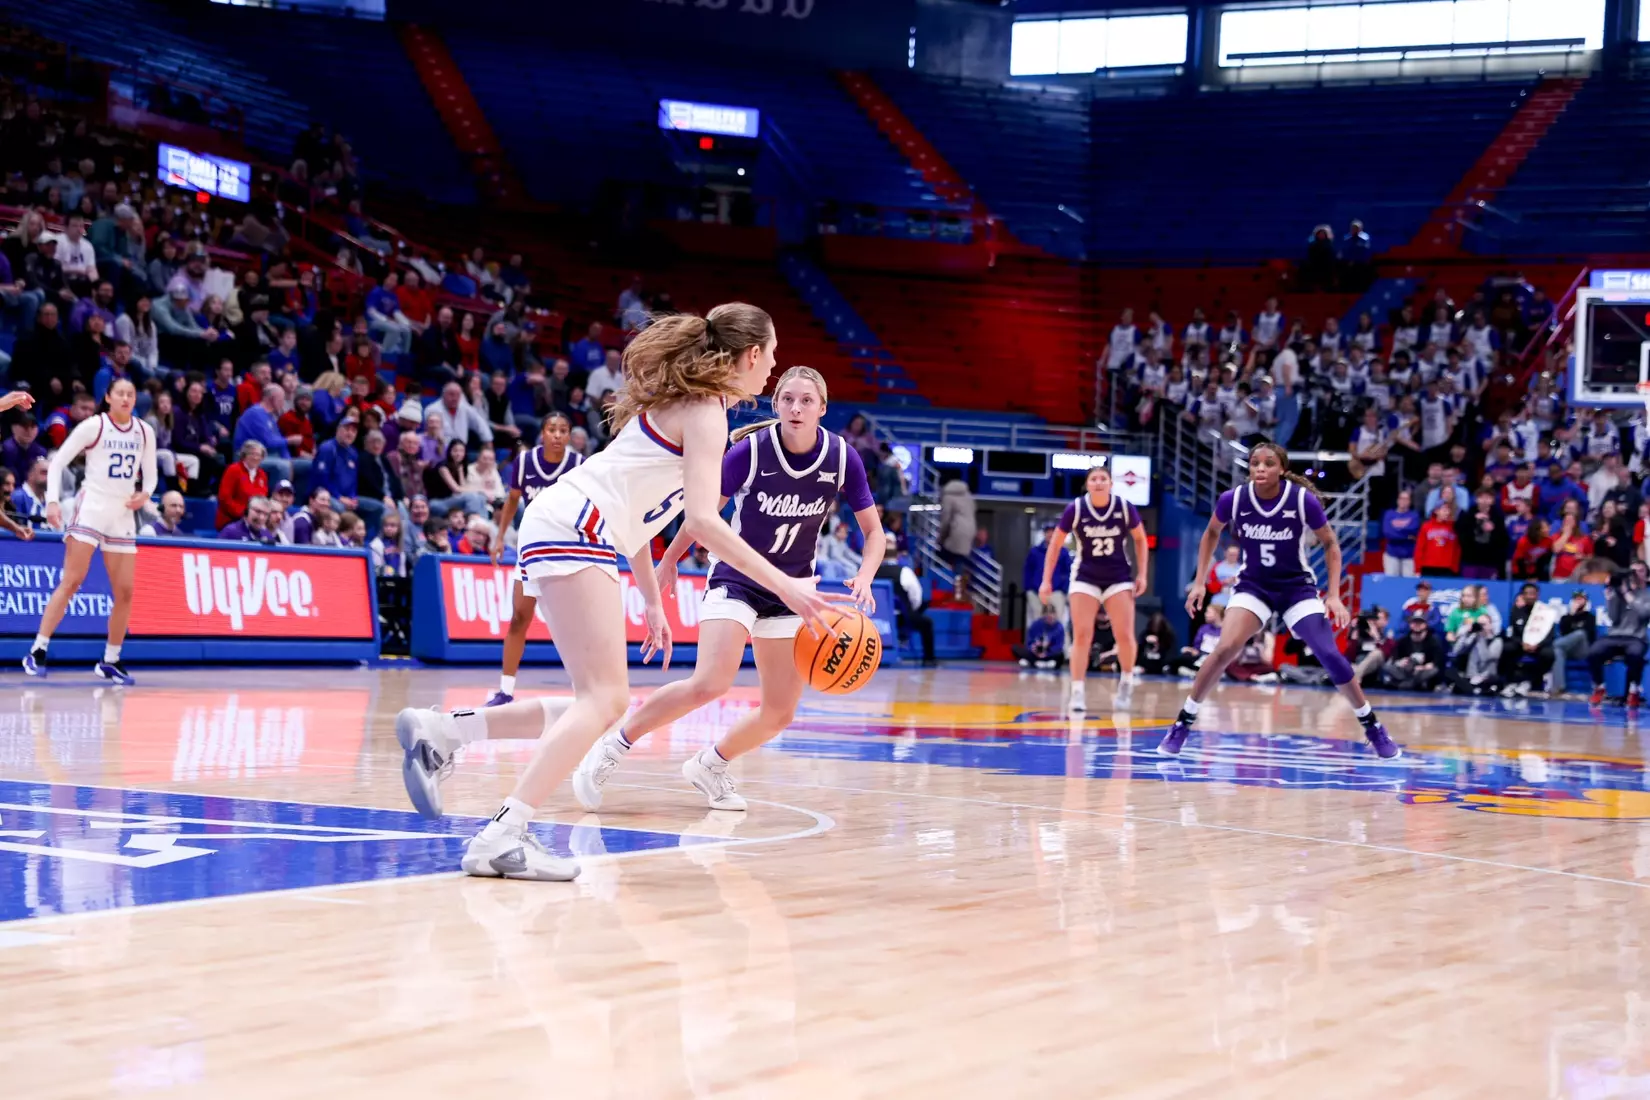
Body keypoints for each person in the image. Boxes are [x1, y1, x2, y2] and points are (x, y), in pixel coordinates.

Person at [391, 303, 838, 882]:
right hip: (576, 529)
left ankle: (448, 730)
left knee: (595, 701)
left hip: (568, 524)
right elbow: (703, 521)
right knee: (604, 701)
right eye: (772, 355)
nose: (774, 366)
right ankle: (502, 835)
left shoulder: (689, 403)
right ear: (750, 355)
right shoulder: (705, 412)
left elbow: (641, 521)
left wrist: (651, 598)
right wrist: (788, 588)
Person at [570, 366, 884, 812]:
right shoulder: (750, 452)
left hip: (792, 592)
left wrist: (866, 575)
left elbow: (874, 533)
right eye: (788, 399)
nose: (796, 408)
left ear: (823, 409)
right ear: (776, 406)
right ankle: (615, 744)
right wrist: (670, 560)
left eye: (806, 401)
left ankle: (710, 765)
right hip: (736, 581)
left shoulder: (841, 458)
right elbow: (701, 516)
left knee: (780, 712)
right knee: (710, 682)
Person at [1161, 443, 1399, 759]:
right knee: (1225, 648)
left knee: (1329, 653)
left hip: (1295, 588)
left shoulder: (1302, 501)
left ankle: (1372, 726)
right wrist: (1200, 583)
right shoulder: (1233, 499)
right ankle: (1183, 723)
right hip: (1254, 586)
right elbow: (1210, 534)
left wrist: (1333, 596)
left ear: (1282, 470)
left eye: (1268, 463)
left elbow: (1330, 544)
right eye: (1255, 463)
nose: (1260, 468)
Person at [23, 378, 156, 685]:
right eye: (120, 393)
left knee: (125, 592)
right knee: (72, 581)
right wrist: (53, 502)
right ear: (108, 397)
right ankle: (37, 650)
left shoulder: (144, 431)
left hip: (123, 513)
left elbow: (150, 476)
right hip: (92, 507)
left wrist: (145, 494)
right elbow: (56, 464)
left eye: (130, 394)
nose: (125, 398)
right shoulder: (94, 426)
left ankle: (111, 659)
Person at [484, 414, 584, 705]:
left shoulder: (579, 465)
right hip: (531, 545)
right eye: (551, 429)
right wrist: (501, 537)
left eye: (563, 430)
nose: (556, 435)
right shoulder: (525, 462)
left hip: (565, 550)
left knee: (569, 626)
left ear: (569, 436)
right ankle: (505, 691)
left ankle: (583, 690)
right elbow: (513, 499)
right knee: (519, 617)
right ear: (542, 433)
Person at [1038, 464, 1150, 712]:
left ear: (1111, 483)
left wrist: (1142, 574)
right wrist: (1046, 580)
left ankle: (1126, 682)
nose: (1098, 482)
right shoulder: (1076, 508)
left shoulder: (1123, 507)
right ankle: (1077, 692)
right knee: (1081, 635)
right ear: (1087, 484)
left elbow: (1141, 539)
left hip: (1118, 576)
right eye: (1094, 479)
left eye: (1103, 478)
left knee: (1124, 635)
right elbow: (1055, 545)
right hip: (1085, 576)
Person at [1588, 563, 1650, 707]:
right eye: (1632, 570)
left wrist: (1627, 594)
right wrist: (1612, 597)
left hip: (1636, 637)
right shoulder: (1618, 592)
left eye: (1640, 571)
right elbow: (1613, 617)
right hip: (1614, 635)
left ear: (1646, 576)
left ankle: (1634, 690)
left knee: (1635, 655)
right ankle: (1599, 686)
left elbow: (1643, 613)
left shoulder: (1647, 594)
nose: (1635, 573)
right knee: (1594, 652)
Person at [1382, 612, 1448, 692]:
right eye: (1414, 622)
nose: (1417, 625)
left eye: (1420, 623)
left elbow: (1437, 661)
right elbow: (1396, 658)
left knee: (1434, 671)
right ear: (1410, 624)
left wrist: (1424, 667)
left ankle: (1403, 684)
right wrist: (1401, 662)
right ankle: (1409, 684)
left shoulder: (1434, 640)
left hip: (1422, 671)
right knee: (1387, 666)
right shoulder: (1403, 640)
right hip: (1405, 671)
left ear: (1425, 624)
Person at [1381, 488, 1420, 575]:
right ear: (1397, 500)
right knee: (1391, 583)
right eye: (1401, 498)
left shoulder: (1414, 515)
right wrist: (1407, 536)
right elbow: (1388, 533)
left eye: (1406, 499)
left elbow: (1413, 530)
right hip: (1392, 554)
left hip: (1409, 555)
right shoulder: (1389, 514)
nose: (1403, 501)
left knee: (1408, 584)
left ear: (1410, 501)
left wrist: (1396, 531)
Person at [1015, 604, 1066, 670]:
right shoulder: (1036, 624)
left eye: (1052, 613)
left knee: (1060, 655)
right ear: (1043, 614)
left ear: (1055, 614)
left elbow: (1059, 646)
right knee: (1015, 648)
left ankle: (1034, 662)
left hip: (1049, 654)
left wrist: (1047, 652)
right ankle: (1039, 662)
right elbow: (1029, 642)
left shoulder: (1059, 627)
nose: (1049, 615)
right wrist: (1034, 648)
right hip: (1035, 653)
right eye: (1047, 613)